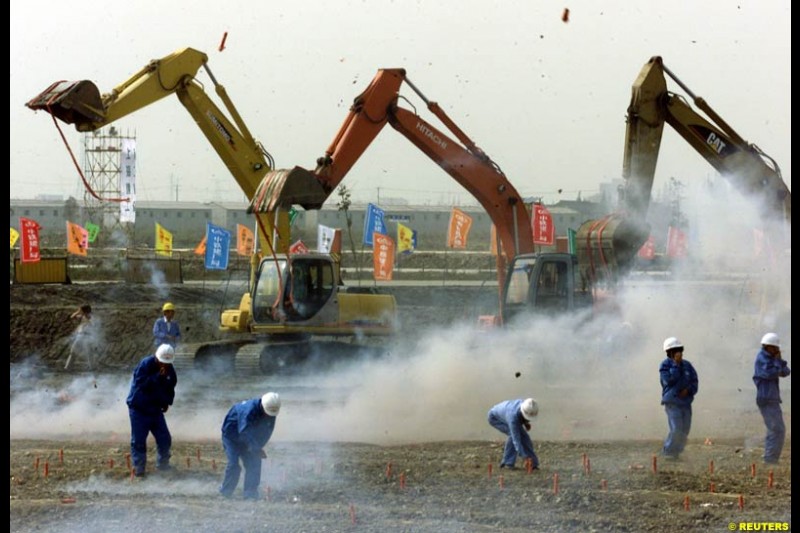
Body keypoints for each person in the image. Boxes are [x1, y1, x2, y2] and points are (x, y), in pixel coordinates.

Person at [126, 344, 178, 477]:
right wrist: (157, 377)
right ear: (156, 358)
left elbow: (171, 386)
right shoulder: (145, 364)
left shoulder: (169, 368)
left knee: (165, 439)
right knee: (138, 440)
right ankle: (139, 469)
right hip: (139, 408)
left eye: (167, 363)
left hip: (155, 409)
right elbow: (142, 384)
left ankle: (163, 465)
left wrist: (167, 402)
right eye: (162, 362)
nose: (164, 365)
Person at [220, 392, 281, 500]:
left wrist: (258, 447)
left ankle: (250, 494)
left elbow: (268, 430)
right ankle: (225, 493)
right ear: (262, 406)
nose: (268, 416)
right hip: (232, 437)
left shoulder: (271, 411)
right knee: (234, 464)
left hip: (249, 438)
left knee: (254, 463)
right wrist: (256, 448)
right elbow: (243, 431)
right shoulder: (248, 410)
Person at [753, 332, 790, 464]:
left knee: (777, 428)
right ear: (769, 347)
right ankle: (770, 459)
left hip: (772, 398)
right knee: (775, 428)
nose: (778, 350)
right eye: (776, 348)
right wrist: (777, 362)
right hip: (766, 398)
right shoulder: (762, 358)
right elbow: (771, 373)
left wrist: (778, 361)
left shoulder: (772, 359)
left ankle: (772, 458)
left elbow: (786, 372)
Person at [659, 337, 699, 459]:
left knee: (684, 430)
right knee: (676, 429)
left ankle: (676, 452)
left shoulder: (687, 365)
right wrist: (676, 365)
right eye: (675, 350)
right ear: (669, 352)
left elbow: (694, 381)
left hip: (686, 402)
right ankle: (668, 451)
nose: (678, 353)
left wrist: (688, 390)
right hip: (672, 402)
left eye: (679, 350)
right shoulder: (665, 366)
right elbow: (669, 380)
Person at [487, 397, 540, 470]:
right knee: (513, 435)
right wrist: (524, 457)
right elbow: (516, 441)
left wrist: (525, 423)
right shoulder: (512, 418)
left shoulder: (525, 405)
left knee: (525, 437)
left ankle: (533, 463)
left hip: (507, 415)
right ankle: (507, 463)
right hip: (494, 418)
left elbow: (521, 416)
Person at [65, 304, 98, 370]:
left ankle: (93, 368)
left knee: (89, 353)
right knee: (73, 351)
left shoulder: (91, 317)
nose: (79, 311)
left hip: (87, 337)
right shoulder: (82, 316)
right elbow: (72, 317)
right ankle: (68, 367)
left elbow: (93, 326)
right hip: (80, 336)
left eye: (81, 310)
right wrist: (78, 311)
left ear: (84, 311)